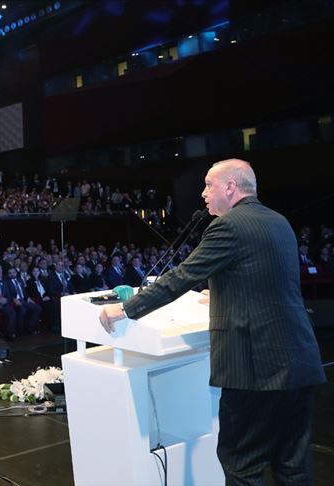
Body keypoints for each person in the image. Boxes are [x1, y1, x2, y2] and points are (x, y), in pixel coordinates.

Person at [99, 159, 325, 485]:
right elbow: (267, 284)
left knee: (242, 465)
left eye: (208, 185)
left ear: (230, 187)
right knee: (292, 467)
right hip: (299, 362)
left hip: (256, 370)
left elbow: (182, 276)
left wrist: (125, 309)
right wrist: (221, 293)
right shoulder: (279, 222)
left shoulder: (228, 225)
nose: (203, 194)